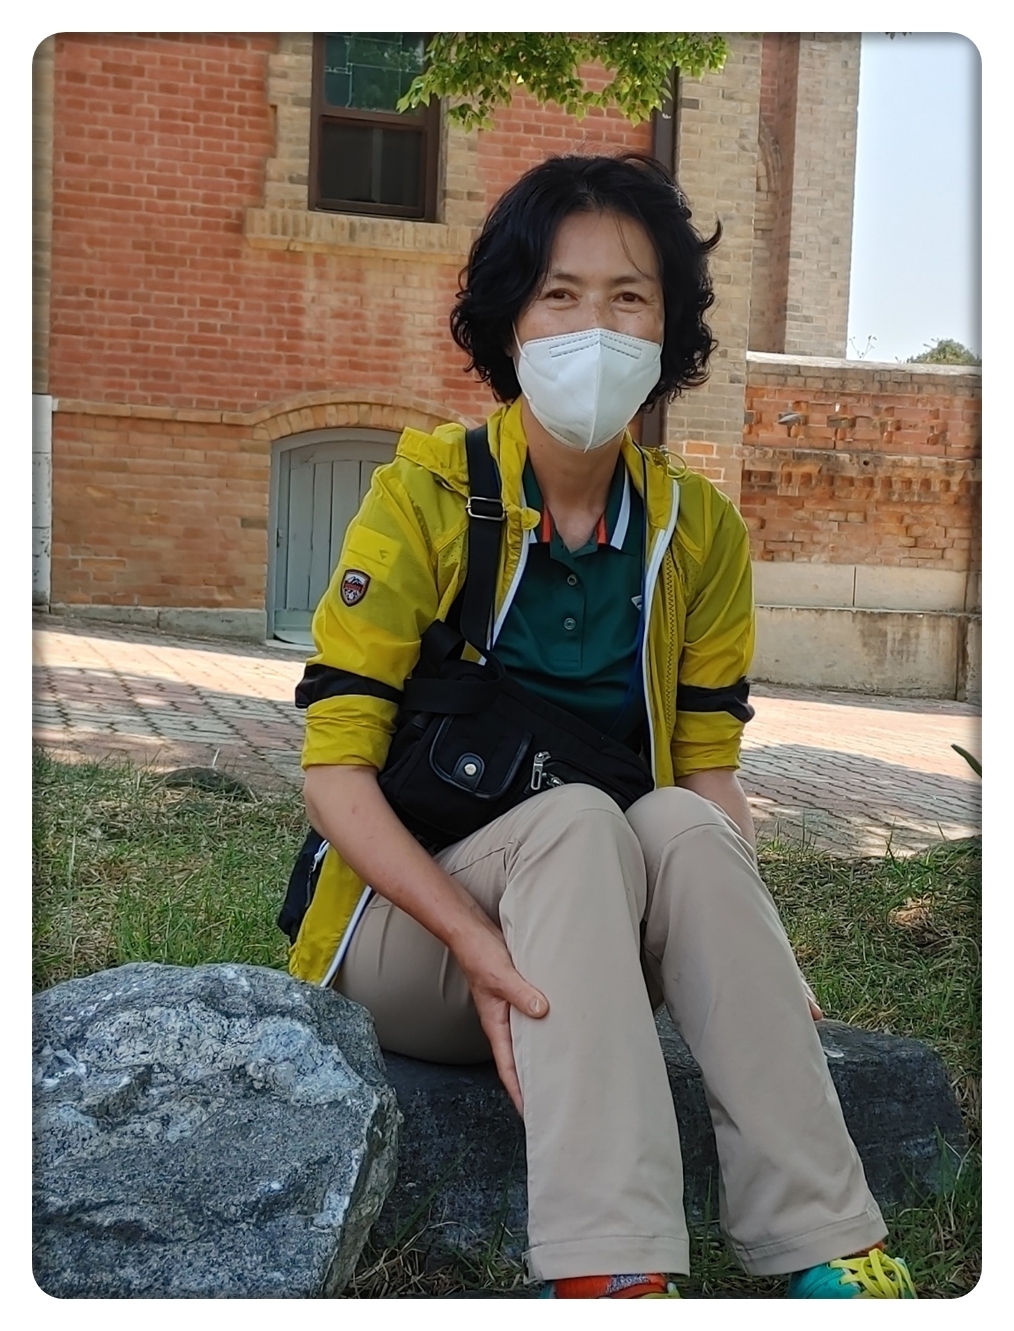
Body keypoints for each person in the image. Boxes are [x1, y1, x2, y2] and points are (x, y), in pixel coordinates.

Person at [290, 153, 916, 1299]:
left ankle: (826, 1242)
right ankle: (609, 1272)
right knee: (578, 817)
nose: (595, 325)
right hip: (412, 934)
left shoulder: (699, 532)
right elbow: (333, 776)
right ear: (510, 320)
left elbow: (710, 776)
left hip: (591, 936)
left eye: (629, 295)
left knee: (681, 824)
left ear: (668, 328)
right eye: (560, 293)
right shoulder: (424, 496)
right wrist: (475, 944)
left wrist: (753, 944)